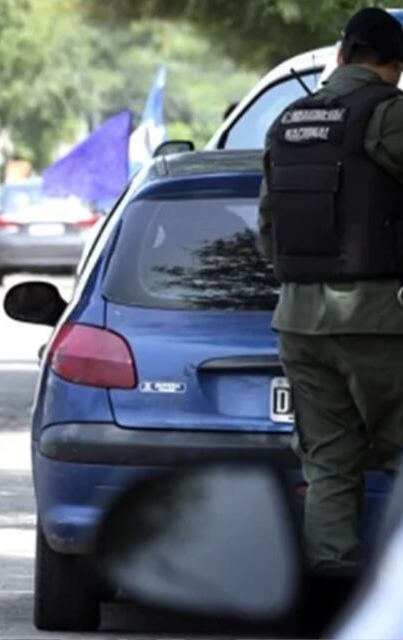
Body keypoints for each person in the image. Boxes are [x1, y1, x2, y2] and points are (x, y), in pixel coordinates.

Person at [259, 7, 403, 572]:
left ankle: (331, 594)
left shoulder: (288, 119)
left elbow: (268, 227)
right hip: (379, 319)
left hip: (297, 319)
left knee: (329, 464)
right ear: (393, 66)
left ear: (341, 55)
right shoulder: (389, 114)